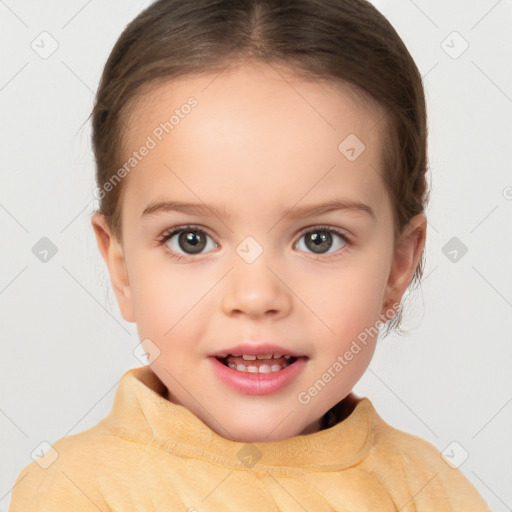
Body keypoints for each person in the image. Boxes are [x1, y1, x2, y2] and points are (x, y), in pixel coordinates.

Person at [9, 0, 491, 510]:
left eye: (319, 239)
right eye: (190, 239)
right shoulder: (72, 491)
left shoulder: (433, 491)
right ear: (122, 268)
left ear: (398, 267)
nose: (256, 296)